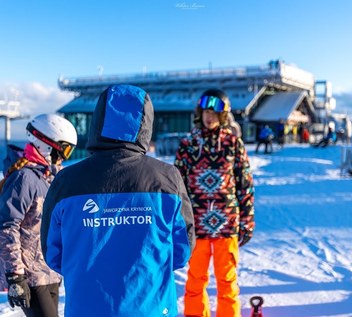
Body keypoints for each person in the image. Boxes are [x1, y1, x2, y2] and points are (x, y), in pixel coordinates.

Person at [41, 84, 195, 317]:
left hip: (87, 308)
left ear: (98, 122)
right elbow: (182, 248)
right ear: (145, 124)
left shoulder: (67, 181)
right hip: (151, 307)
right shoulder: (166, 178)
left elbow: (53, 252)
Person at [174, 88, 255, 317]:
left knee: (227, 281)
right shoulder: (188, 144)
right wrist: (179, 220)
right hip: (196, 224)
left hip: (227, 222)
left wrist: (247, 220)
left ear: (223, 115)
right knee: (195, 280)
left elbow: (245, 184)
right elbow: (177, 185)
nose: (209, 116)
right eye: (205, 111)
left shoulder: (233, 143)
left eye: (214, 112)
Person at [0, 114, 78, 317]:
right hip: (29, 275)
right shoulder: (24, 178)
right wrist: (15, 275)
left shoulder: (50, 178)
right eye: (64, 150)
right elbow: (7, 226)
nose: (64, 157)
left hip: (49, 271)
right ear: (46, 145)